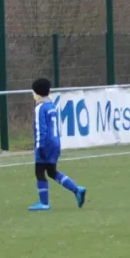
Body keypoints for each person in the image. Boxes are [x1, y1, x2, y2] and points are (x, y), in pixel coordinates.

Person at [29, 77, 87, 211]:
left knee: (39, 171)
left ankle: (44, 203)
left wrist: (40, 146)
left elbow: (41, 129)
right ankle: (77, 190)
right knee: (51, 171)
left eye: (33, 92)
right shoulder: (52, 106)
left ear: (37, 93)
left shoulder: (40, 108)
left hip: (46, 144)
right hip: (55, 143)